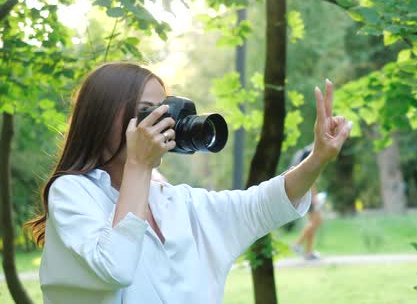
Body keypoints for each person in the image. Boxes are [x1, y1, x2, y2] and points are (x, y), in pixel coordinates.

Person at [24, 63, 351, 304]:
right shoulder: (73, 193)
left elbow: (261, 205)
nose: (163, 123)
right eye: (146, 111)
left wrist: (318, 157)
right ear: (102, 116)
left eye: (162, 110)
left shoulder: (174, 200)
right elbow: (115, 267)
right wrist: (140, 165)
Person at [290, 146, 324, 260]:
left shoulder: (304, 167)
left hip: (306, 196)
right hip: (310, 197)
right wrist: (315, 198)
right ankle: (298, 244)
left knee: (313, 222)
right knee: (317, 221)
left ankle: (308, 252)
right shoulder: (310, 167)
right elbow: (311, 183)